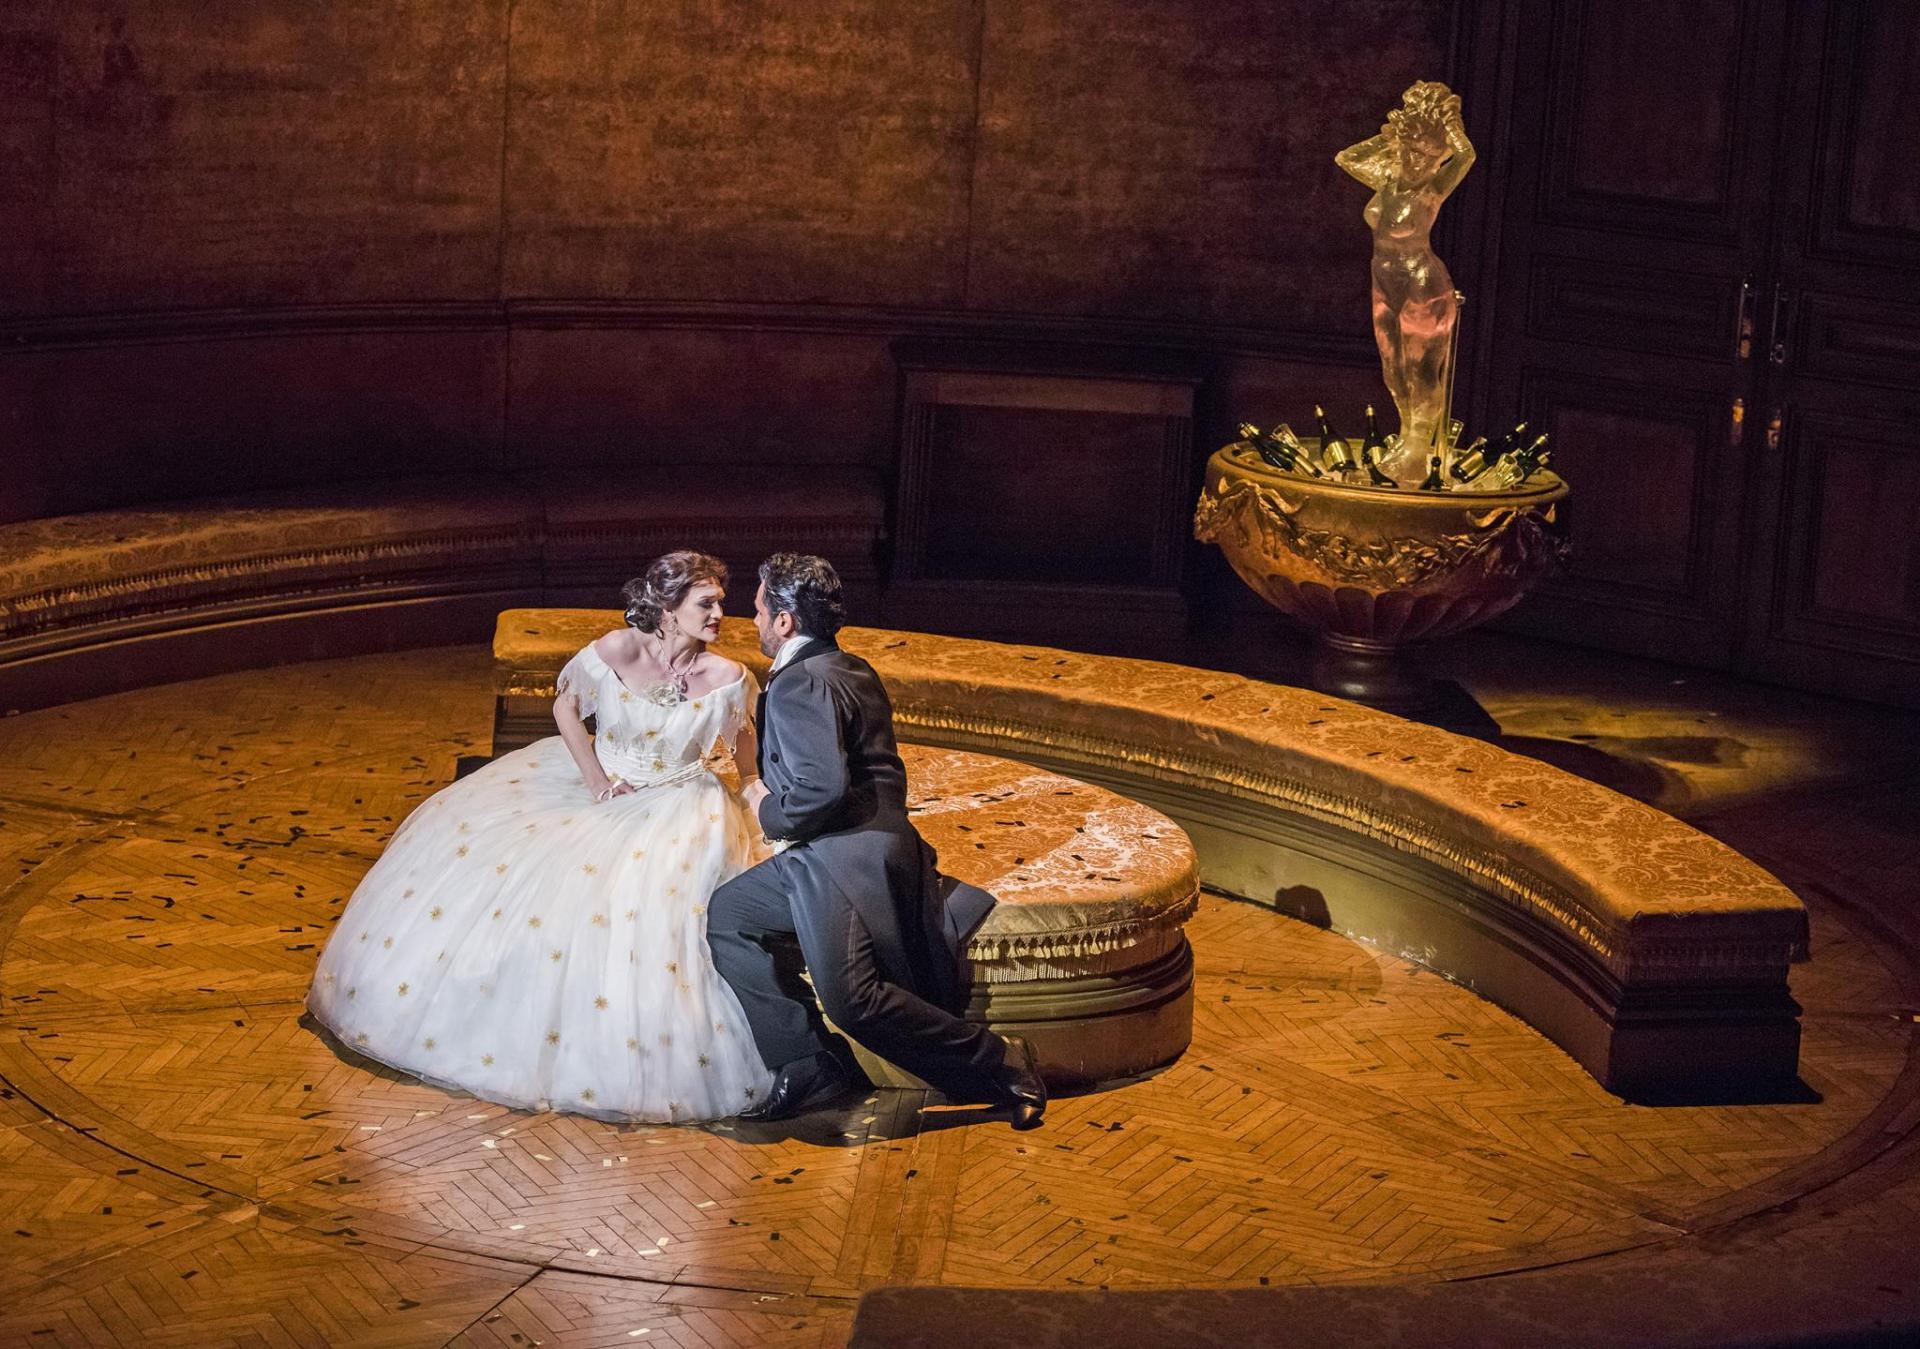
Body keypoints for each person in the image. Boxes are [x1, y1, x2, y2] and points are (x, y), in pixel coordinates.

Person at [306, 551, 774, 1122]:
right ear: (668, 608)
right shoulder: (616, 649)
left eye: (722, 602)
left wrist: (762, 807)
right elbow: (566, 707)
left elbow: (745, 760)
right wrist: (597, 781)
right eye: (707, 603)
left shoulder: (728, 679)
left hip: (681, 806)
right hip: (603, 788)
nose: (720, 613)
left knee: (651, 910)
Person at [706, 553, 1047, 1128]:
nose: (755, 619)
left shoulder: (799, 683)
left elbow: (821, 789)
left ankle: (1001, 1060)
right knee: (732, 913)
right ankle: (806, 1063)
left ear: (785, 621)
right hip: (879, 847)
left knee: (854, 1001)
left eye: (760, 609)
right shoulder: (850, 666)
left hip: (840, 860)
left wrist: (764, 806)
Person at [1335, 79, 1476, 481]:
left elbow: (1466, 155)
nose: (1417, 162)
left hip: (1421, 283)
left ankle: (1417, 449)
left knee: (1421, 370)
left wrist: (1449, 127)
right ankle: (1408, 437)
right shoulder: (1388, 180)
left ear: (1437, 159)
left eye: (1427, 156)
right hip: (1384, 281)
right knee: (1393, 369)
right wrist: (1393, 137)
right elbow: (1346, 157)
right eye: (1412, 152)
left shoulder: (1432, 188)